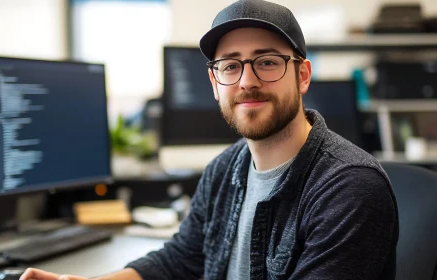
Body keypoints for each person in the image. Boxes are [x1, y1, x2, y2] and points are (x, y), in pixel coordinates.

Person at [20, 0, 398, 279]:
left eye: (267, 61)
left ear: (301, 75)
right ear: (216, 84)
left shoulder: (349, 188)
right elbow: (180, 260)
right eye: (231, 66)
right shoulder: (225, 169)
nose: (247, 81)